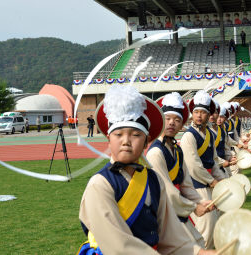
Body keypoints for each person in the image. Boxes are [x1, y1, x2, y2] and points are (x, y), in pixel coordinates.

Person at [78, 86, 216, 255]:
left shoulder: (154, 180)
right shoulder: (99, 184)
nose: (126, 141)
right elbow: (119, 246)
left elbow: (171, 236)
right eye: (118, 134)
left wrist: (199, 252)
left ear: (146, 142)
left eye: (136, 135)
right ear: (108, 140)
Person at [147, 93, 216, 254]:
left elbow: (186, 184)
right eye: (168, 118)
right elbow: (168, 191)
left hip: (177, 210)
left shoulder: (177, 150)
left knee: (198, 242)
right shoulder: (156, 153)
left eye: (177, 120)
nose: (172, 123)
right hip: (164, 214)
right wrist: (194, 207)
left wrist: (200, 201)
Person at [180, 90, 227, 249]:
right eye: (196, 112)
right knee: (205, 231)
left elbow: (213, 162)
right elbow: (193, 166)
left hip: (209, 186)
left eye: (203, 112)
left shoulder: (209, 135)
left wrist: (223, 181)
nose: (199, 115)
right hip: (196, 187)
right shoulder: (189, 136)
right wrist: (213, 181)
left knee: (214, 228)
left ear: (209, 115)